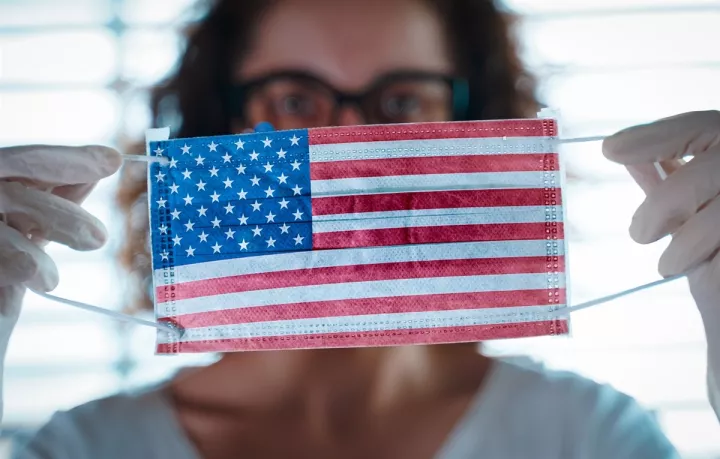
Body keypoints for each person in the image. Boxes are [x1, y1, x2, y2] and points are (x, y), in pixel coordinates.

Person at [0, 0, 717, 457]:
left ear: (473, 127)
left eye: (401, 101)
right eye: (294, 101)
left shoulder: (591, 435)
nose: (346, 143)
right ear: (219, 130)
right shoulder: (84, 447)